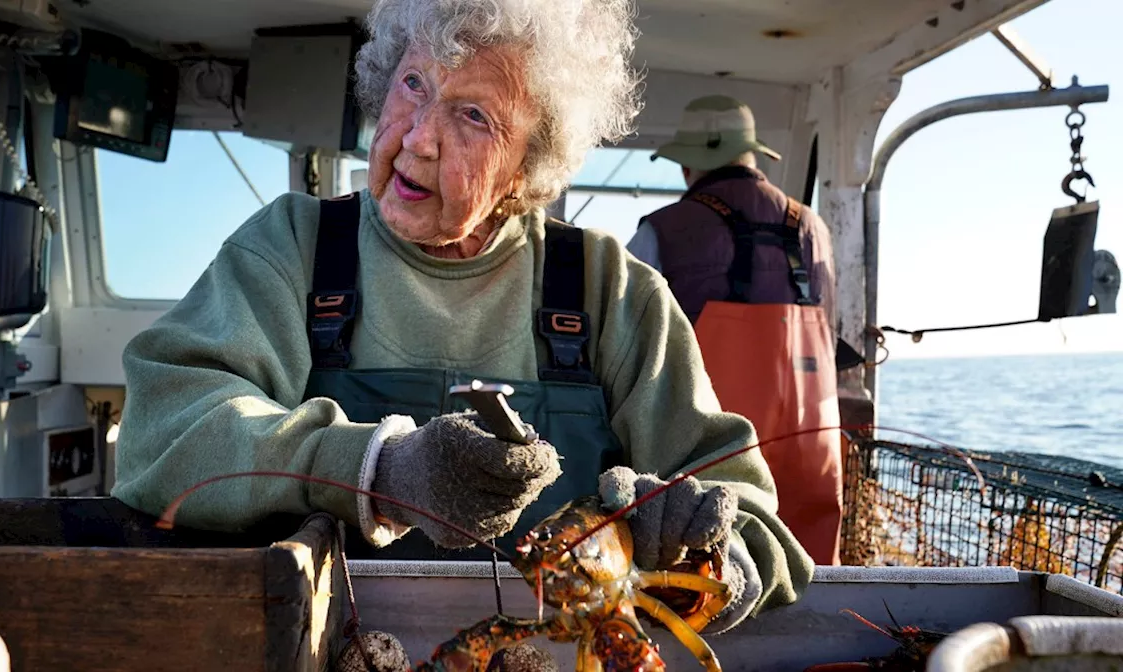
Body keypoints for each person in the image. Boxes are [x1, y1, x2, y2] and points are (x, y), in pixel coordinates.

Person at [111, 0, 813, 643]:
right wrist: (376, 470)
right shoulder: (293, 248)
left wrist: (704, 552)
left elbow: (758, 530)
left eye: (474, 116)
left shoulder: (610, 290)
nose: (418, 140)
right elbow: (161, 435)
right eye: (413, 84)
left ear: (528, 166)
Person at [626, 94, 846, 565]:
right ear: (751, 156)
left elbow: (625, 339)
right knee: (809, 570)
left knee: (708, 568)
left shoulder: (662, 230)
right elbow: (832, 325)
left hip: (714, 448)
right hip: (811, 440)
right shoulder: (815, 228)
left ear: (690, 166)